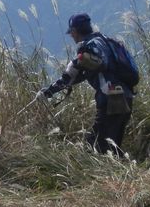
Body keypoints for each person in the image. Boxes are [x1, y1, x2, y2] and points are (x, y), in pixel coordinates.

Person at [39, 13, 134, 156]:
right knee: (112, 146)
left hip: (111, 98)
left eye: (71, 32)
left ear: (75, 31)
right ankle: (119, 169)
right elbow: (87, 72)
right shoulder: (106, 41)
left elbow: (70, 76)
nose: (71, 36)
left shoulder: (88, 47)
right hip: (126, 96)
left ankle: (106, 169)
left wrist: (48, 92)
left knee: (94, 148)